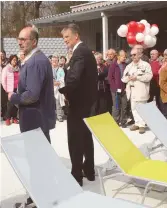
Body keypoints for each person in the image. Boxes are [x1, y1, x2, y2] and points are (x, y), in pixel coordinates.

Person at [9, 25, 56, 208]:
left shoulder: (36, 61)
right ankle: (38, 197)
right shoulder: (35, 59)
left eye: (24, 39)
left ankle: (39, 200)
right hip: (36, 119)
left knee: (37, 162)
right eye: (18, 39)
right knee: (39, 161)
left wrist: (14, 97)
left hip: (35, 119)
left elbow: (31, 95)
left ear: (34, 41)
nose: (20, 42)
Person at [59, 23, 97, 186]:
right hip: (86, 102)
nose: (65, 40)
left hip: (78, 102)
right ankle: (89, 170)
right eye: (63, 38)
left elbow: (74, 78)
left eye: (67, 37)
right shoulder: (84, 51)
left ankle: (76, 175)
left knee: (75, 138)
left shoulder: (80, 52)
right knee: (86, 136)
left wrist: (64, 91)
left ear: (76, 36)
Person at [122, 48, 152, 134]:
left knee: (141, 108)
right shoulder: (129, 66)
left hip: (141, 89)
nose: (132, 57)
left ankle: (142, 125)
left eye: (134, 55)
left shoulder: (145, 65)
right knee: (133, 108)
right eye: (131, 55)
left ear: (140, 55)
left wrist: (137, 77)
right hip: (131, 90)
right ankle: (137, 123)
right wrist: (128, 78)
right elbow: (123, 79)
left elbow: (149, 77)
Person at [108, 50, 128, 127]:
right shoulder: (113, 65)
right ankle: (115, 121)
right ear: (119, 56)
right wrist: (115, 88)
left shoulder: (125, 65)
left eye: (125, 56)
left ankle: (123, 121)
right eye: (123, 56)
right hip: (115, 90)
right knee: (116, 106)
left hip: (124, 89)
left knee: (124, 105)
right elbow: (110, 78)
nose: (125, 58)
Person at [2, 55, 20, 125]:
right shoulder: (7, 68)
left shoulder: (18, 68)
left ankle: (14, 118)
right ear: (10, 60)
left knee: (16, 104)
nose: (15, 61)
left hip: (17, 89)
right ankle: (8, 118)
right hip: (10, 89)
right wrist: (6, 89)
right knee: (10, 104)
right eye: (13, 60)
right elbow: (3, 80)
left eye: (16, 60)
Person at [52, 55, 65, 122]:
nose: (54, 62)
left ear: (58, 62)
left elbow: (62, 79)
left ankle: (59, 116)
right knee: (51, 103)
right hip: (50, 89)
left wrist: (56, 82)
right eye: (53, 61)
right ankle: (51, 116)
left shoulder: (61, 70)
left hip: (58, 88)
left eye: (55, 61)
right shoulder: (49, 69)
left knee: (58, 103)